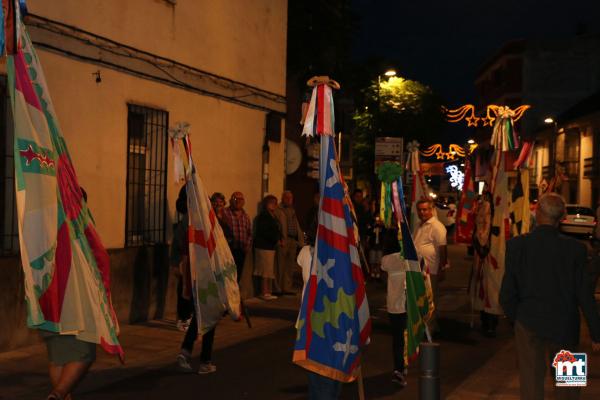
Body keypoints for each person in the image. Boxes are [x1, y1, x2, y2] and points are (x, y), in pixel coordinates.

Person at [500, 193, 600, 400]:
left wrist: (517, 318)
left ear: (537, 213)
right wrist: (596, 332)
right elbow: (585, 294)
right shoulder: (576, 250)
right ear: (562, 217)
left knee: (531, 383)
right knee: (569, 387)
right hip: (565, 324)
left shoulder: (517, 246)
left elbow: (507, 292)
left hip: (529, 321)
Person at [175, 187, 218, 375]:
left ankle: (186, 352)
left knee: (203, 317)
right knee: (209, 317)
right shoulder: (201, 225)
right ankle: (204, 361)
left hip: (198, 276)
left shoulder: (198, 223)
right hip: (204, 277)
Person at [296, 226, 343, 399]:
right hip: (320, 319)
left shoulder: (306, 252)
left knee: (324, 374)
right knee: (324, 374)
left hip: (321, 319)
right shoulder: (308, 253)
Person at [413, 198, 447, 335]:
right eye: (420, 210)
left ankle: (430, 328)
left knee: (430, 299)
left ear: (431, 209)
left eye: (425, 209)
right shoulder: (420, 225)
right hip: (419, 269)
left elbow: (443, 249)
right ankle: (427, 325)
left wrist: (442, 268)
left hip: (431, 269)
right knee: (422, 297)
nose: (422, 212)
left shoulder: (437, 226)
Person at [380, 229, 408, 387]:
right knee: (405, 337)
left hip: (393, 303)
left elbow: (384, 277)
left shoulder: (386, 260)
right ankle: (403, 366)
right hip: (406, 303)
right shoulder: (407, 257)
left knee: (397, 339)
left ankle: (399, 369)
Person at [170, 186, 193, 331]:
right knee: (185, 288)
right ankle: (183, 318)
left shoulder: (191, 217)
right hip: (184, 259)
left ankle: (186, 317)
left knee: (189, 288)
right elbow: (180, 242)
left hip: (190, 259)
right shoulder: (187, 219)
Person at [253, 195, 283, 300]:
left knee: (269, 270)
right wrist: (275, 239)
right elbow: (264, 231)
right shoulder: (263, 216)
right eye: (271, 202)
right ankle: (264, 292)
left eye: (275, 202)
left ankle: (268, 291)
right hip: (264, 246)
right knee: (264, 270)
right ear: (266, 204)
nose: (274, 205)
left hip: (270, 246)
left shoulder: (273, 215)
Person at [275, 191, 304, 294]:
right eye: (286, 198)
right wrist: (279, 239)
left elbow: (296, 225)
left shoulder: (292, 210)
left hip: (293, 240)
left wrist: (299, 240)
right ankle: (278, 288)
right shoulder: (278, 210)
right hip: (284, 239)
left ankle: (286, 287)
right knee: (280, 265)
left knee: (289, 265)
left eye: (290, 198)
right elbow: (277, 226)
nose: (289, 200)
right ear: (282, 198)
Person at [223, 191, 252, 281]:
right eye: (235, 198)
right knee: (227, 273)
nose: (238, 201)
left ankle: (236, 291)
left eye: (241, 199)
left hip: (241, 250)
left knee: (239, 272)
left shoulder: (246, 216)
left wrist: (247, 246)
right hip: (228, 250)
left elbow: (249, 233)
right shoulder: (225, 213)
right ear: (230, 200)